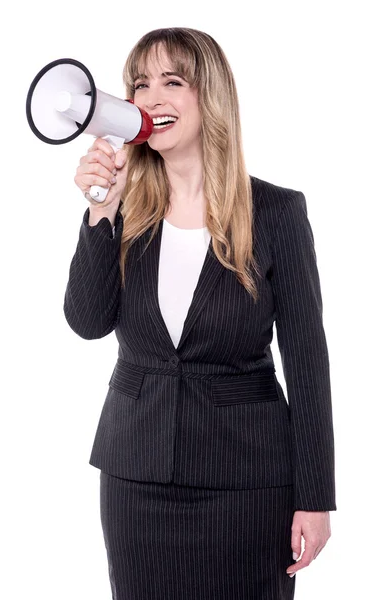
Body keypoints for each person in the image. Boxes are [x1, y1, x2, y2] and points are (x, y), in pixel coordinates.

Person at [64, 27, 336, 600]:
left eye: (172, 81)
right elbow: (87, 321)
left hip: (246, 482)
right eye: (139, 84)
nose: (150, 98)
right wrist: (98, 215)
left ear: (208, 95)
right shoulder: (125, 210)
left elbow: (308, 364)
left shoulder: (277, 213)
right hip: (134, 478)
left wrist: (315, 496)